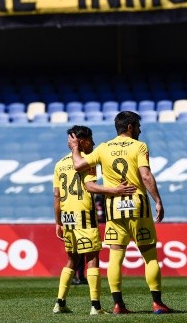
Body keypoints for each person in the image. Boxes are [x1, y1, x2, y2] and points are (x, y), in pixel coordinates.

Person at [68, 110, 172, 315]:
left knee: (115, 257)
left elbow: (78, 164)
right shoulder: (139, 146)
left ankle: (118, 305)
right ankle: (157, 303)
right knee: (149, 256)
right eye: (138, 127)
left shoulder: (103, 148)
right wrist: (158, 201)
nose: (140, 131)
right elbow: (146, 176)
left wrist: (74, 148)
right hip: (138, 206)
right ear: (130, 127)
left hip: (114, 208)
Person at [53, 125, 136, 315]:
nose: (94, 143)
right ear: (82, 142)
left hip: (67, 217)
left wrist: (58, 222)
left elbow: (57, 196)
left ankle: (60, 303)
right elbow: (90, 187)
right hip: (84, 216)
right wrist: (114, 190)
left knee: (72, 260)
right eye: (91, 140)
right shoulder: (86, 161)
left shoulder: (59, 164)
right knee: (92, 259)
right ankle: (96, 306)